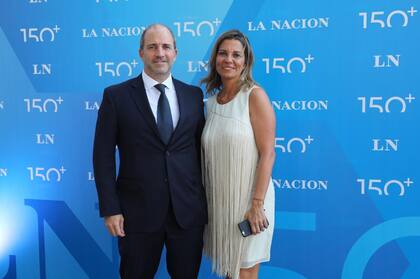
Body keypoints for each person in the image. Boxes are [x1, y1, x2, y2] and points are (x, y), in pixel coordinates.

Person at [93, 23, 207, 279]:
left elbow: (201, 152)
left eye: (166, 47)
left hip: (187, 215)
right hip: (136, 215)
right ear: (141, 52)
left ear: (176, 53)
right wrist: (111, 209)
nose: (160, 53)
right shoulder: (116, 96)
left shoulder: (193, 96)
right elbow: (102, 157)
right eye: (152, 47)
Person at [201, 29, 276, 279]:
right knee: (230, 271)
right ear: (215, 59)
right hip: (220, 201)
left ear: (246, 61)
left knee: (244, 272)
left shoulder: (254, 96)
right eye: (223, 53)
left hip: (251, 201)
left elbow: (268, 154)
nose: (229, 59)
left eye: (236, 54)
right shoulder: (209, 105)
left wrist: (256, 205)